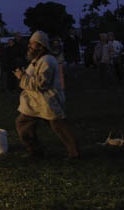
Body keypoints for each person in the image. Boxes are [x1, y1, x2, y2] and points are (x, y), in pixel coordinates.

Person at [14, 31, 80, 159]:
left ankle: (74, 153)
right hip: (34, 103)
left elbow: (41, 84)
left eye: (32, 44)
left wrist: (22, 77)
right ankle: (35, 150)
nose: (29, 46)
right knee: (23, 124)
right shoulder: (37, 60)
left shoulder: (47, 61)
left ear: (40, 46)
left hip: (47, 101)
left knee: (59, 127)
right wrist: (23, 75)